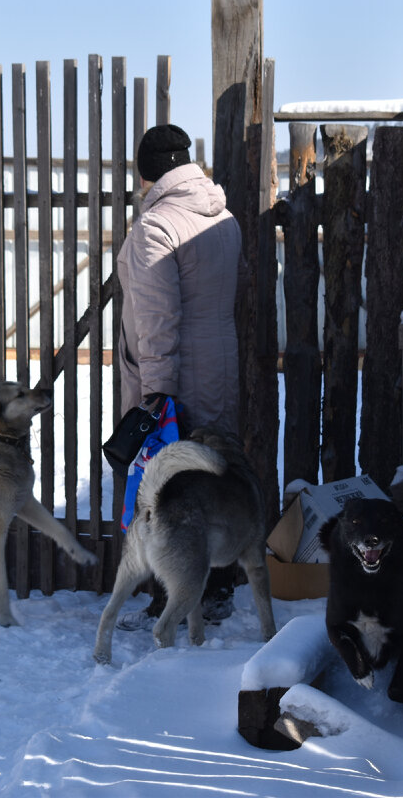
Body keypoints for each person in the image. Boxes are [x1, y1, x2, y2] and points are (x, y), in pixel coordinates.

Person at [114, 123, 243, 630]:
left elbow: (156, 318)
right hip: (219, 366)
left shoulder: (156, 228)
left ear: (147, 174)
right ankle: (216, 590)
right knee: (211, 477)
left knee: (169, 489)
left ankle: (171, 600)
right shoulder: (223, 217)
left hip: (176, 375)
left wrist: (156, 396)